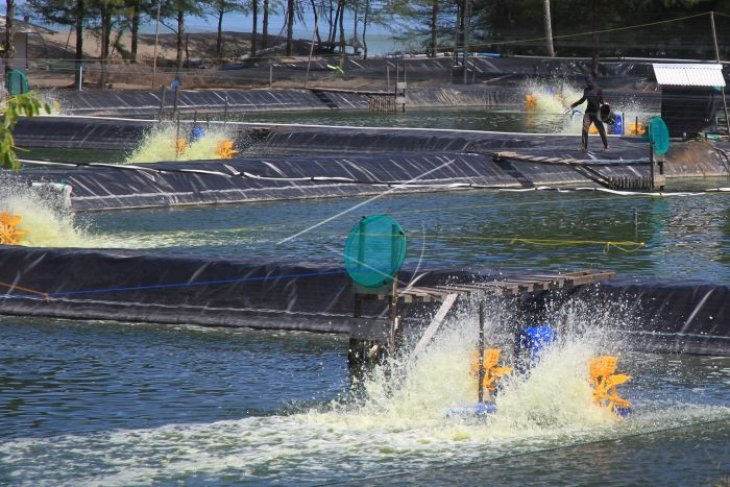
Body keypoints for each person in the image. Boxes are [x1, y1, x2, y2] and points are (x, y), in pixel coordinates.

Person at [570, 74, 609, 151]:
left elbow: (601, 100)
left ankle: (606, 146)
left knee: (601, 130)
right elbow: (582, 100)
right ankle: (584, 146)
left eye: (589, 81)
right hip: (588, 113)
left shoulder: (598, 89)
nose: (588, 83)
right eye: (587, 81)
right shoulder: (586, 90)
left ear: (593, 80)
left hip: (597, 113)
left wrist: (605, 103)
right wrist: (574, 104)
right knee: (585, 129)